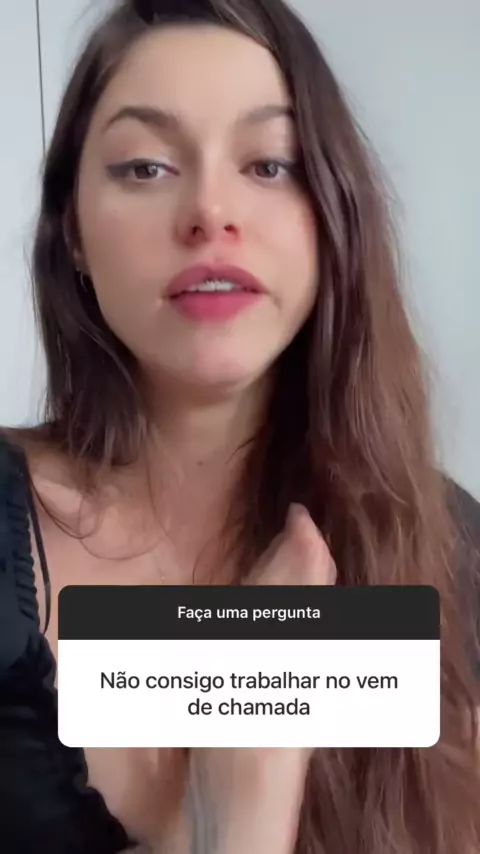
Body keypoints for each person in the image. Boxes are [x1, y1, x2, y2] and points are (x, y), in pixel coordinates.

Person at [0, 0, 479, 851]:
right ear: (72, 231)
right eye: (146, 166)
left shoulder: (447, 547)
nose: (210, 213)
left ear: (333, 216)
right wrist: (235, 822)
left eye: (270, 163)